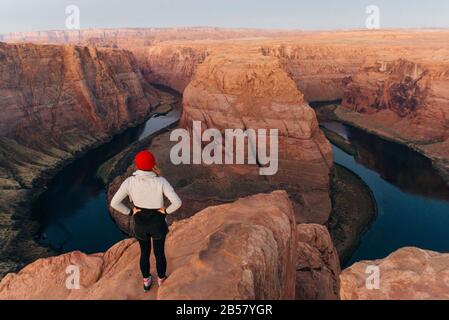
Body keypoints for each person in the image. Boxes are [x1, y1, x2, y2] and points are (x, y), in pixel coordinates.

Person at [110, 150, 182, 292]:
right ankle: (161, 280)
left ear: (137, 165)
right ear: (153, 164)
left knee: (144, 253)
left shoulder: (129, 181)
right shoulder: (161, 181)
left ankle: (147, 282)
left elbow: (114, 203)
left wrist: (130, 212)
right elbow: (177, 202)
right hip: (158, 223)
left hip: (140, 224)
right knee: (159, 253)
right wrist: (165, 211)